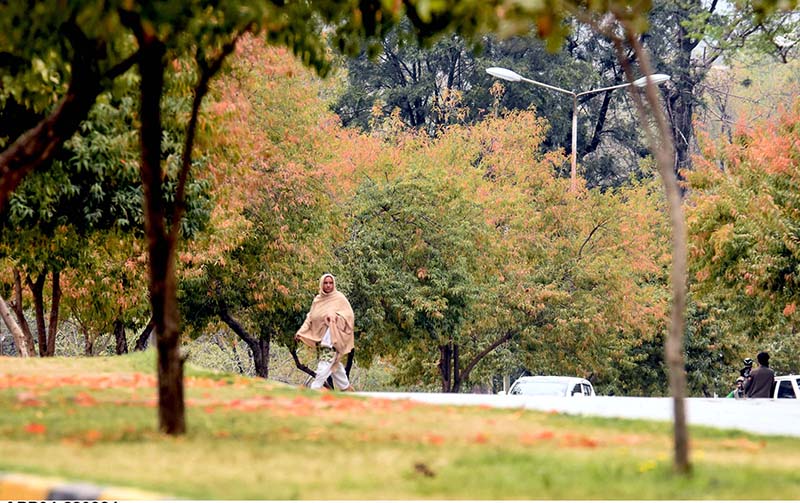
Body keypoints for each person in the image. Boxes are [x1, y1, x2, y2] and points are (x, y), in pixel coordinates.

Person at [295, 273, 355, 391]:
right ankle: (346, 388)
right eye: (326, 283)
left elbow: (349, 315)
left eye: (331, 283)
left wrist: (335, 317)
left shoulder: (339, 298)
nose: (328, 285)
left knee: (325, 362)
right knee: (334, 365)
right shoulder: (317, 300)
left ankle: (315, 388)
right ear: (321, 284)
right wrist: (301, 332)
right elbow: (310, 318)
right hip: (322, 339)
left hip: (334, 339)